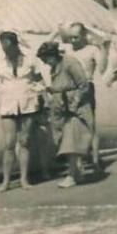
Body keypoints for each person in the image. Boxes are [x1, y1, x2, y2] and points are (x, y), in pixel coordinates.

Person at [0, 31, 43, 191]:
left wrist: (42, 95)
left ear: (15, 44)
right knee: (9, 144)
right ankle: (6, 181)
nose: (6, 50)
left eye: (9, 47)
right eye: (3, 47)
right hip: (8, 106)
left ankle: (24, 179)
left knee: (25, 142)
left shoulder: (30, 59)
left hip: (28, 104)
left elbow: (40, 80)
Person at [50, 22, 109, 173]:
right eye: (71, 37)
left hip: (85, 88)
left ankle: (95, 161)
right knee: (70, 126)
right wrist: (57, 31)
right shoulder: (67, 49)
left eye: (76, 37)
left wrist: (103, 48)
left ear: (83, 36)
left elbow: (102, 68)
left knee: (89, 125)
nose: (73, 40)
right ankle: (78, 163)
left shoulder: (92, 50)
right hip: (67, 91)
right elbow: (48, 46)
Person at [36, 42, 94, 188]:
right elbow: (61, 86)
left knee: (71, 142)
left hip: (74, 109)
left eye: (45, 59)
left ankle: (71, 175)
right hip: (62, 108)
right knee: (65, 141)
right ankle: (77, 173)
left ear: (52, 55)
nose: (45, 63)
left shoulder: (70, 63)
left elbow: (83, 85)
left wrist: (74, 103)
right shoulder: (54, 68)